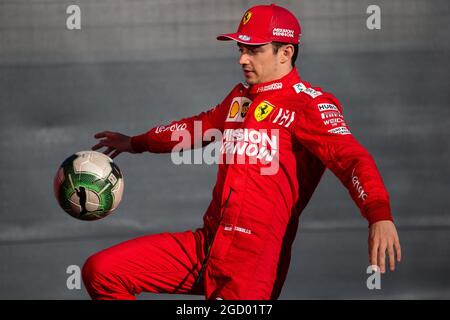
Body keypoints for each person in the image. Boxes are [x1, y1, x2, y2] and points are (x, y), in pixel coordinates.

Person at [82, 4, 401, 300]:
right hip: (207, 244)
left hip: (252, 259)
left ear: (285, 52)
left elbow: (352, 159)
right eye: (241, 49)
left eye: (254, 50)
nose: (242, 59)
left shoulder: (311, 104)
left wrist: (378, 215)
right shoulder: (240, 98)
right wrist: (137, 142)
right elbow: (197, 127)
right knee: (102, 272)